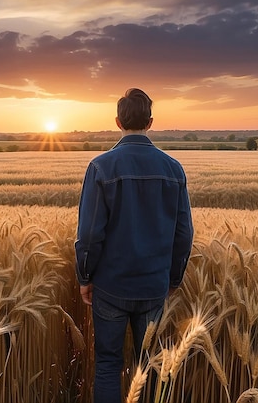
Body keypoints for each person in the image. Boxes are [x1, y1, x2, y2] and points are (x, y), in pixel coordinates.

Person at [75, 88, 194, 403]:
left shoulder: (101, 167)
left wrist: (85, 277)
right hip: (154, 286)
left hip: (110, 287)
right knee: (151, 366)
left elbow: (89, 235)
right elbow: (184, 233)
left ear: (117, 122)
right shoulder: (173, 169)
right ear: (151, 122)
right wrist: (173, 279)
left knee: (108, 364)